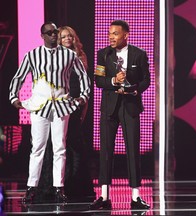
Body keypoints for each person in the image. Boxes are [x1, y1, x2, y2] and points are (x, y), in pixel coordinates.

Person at [9, 21, 91, 204]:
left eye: (55, 32)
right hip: (39, 106)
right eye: (49, 33)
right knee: (37, 147)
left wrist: (83, 97)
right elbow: (19, 76)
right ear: (42, 36)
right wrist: (13, 98)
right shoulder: (33, 55)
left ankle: (58, 188)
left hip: (61, 106)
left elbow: (84, 77)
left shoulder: (69, 55)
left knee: (60, 147)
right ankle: (31, 188)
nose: (53, 35)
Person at [90, 19, 150, 210]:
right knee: (106, 151)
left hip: (130, 106)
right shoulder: (103, 54)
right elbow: (99, 80)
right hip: (109, 107)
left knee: (132, 150)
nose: (111, 37)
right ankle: (104, 195)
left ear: (126, 35)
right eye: (110, 33)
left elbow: (146, 80)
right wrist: (114, 80)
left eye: (115, 33)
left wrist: (133, 90)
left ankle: (135, 195)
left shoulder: (139, 55)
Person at [58, 26, 94, 200]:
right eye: (63, 36)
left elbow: (84, 86)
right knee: (59, 146)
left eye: (69, 36)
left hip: (75, 104)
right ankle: (60, 185)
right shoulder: (54, 56)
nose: (67, 39)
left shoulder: (80, 56)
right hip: (58, 104)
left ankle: (77, 185)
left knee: (76, 145)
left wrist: (83, 107)